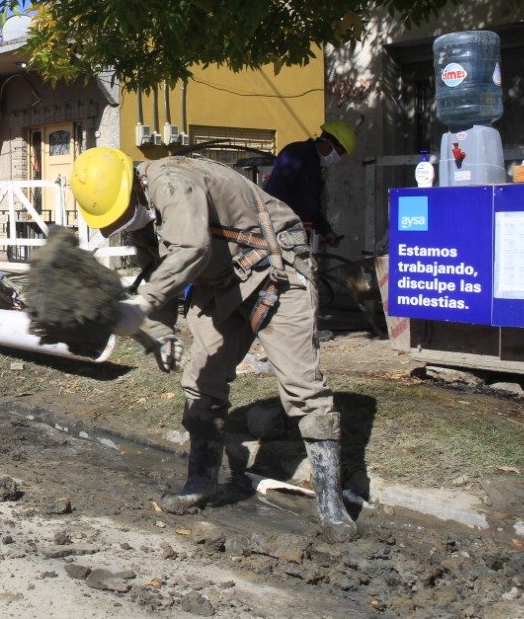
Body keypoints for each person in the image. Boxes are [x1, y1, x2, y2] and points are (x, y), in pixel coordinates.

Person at [72, 147, 357, 542]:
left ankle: (332, 506)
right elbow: (160, 273)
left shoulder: (170, 180)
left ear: (132, 186)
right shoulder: (143, 215)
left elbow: (191, 250)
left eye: (121, 214)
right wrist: (157, 333)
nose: (123, 223)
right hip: (220, 286)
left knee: (302, 388)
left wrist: (140, 304)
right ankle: (200, 482)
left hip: (275, 270)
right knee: (201, 385)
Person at [261, 121, 356, 248]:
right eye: (340, 153)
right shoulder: (297, 154)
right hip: (282, 230)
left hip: (295, 232)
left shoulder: (315, 165)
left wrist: (326, 231)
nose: (337, 158)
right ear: (328, 143)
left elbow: (310, 207)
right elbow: (276, 192)